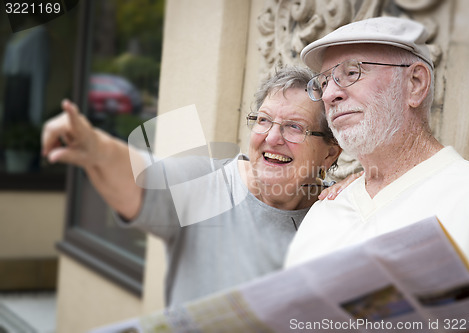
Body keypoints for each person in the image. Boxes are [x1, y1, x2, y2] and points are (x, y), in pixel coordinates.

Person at [42, 66, 351, 307]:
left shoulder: (338, 213)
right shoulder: (207, 185)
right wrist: (95, 147)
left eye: (294, 127)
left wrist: (361, 186)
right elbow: (143, 178)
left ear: (330, 152)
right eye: (263, 120)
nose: (272, 137)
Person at [284, 16, 469, 308]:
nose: (331, 94)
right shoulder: (325, 210)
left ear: (415, 83)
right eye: (323, 82)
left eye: (351, 72)